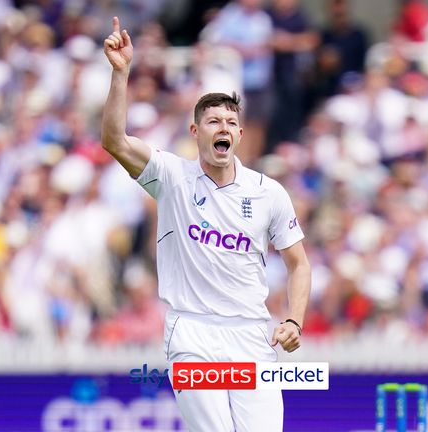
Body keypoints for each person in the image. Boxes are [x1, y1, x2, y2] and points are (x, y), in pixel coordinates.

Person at [101, 16, 311, 432]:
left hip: (252, 335)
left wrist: (294, 320)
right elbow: (115, 141)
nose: (224, 129)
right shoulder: (172, 177)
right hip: (193, 334)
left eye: (231, 123)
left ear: (241, 134)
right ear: (196, 131)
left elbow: (298, 263)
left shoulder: (268, 192)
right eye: (214, 121)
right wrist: (121, 73)